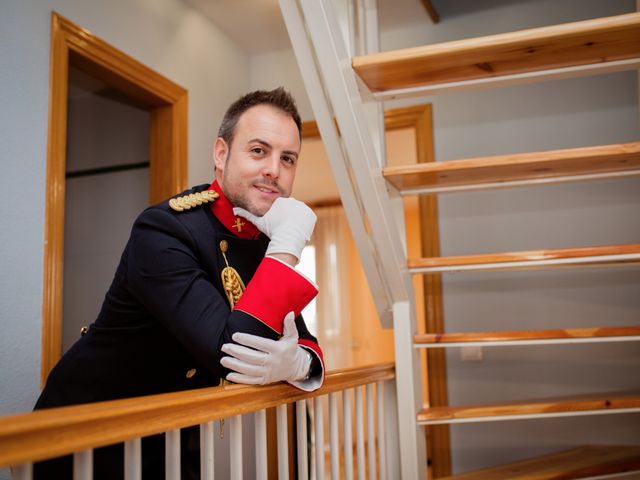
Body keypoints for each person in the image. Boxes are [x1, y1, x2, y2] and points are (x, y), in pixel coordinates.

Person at [34, 87, 324, 479]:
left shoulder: (263, 243)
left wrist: (297, 362)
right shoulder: (164, 229)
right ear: (221, 154)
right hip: (88, 437)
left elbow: (305, 339)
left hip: (169, 434)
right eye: (258, 151)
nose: (274, 168)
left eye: (287, 158)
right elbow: (229, 351)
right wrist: (290, 244)